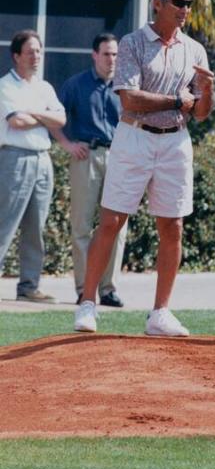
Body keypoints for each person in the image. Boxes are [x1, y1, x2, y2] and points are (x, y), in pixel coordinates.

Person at [74, 0, 214, 335]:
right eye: (178, 3)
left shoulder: (194, 50)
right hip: (134, 137)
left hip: (176, 141)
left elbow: (198, 113)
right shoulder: (133, 42)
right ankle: (88, 304)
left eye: (188, 4)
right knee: (111, 222)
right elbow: (129, 97)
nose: (185, 10)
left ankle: (160, 314)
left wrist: (207, 90)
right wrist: (175, 101)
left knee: (173, 226)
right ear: (157, 3)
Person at [52, 33, 126, 307]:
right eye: (106, 54)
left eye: (115, 54)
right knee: (82, 225)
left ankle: (108, 288)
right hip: (87, 157)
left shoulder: (125, 87)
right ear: (94, 55)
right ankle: (85, 289)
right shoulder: (76, 85)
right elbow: (55, 116)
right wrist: (67, 144)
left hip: (120, 159)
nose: (111, 60)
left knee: (117, 226)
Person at [0, 30, 66, 303]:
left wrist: (34, 113)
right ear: (16, 56)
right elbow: (16, 122)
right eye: (30, 52)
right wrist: (46, 116)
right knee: (5, 223)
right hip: (15, 158)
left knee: (35, 226)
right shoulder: (5, 86)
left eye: (38, 51)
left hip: (43, 160)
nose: (36, 56)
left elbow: (61, 120)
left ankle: (29, 285)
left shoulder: (44, 87)